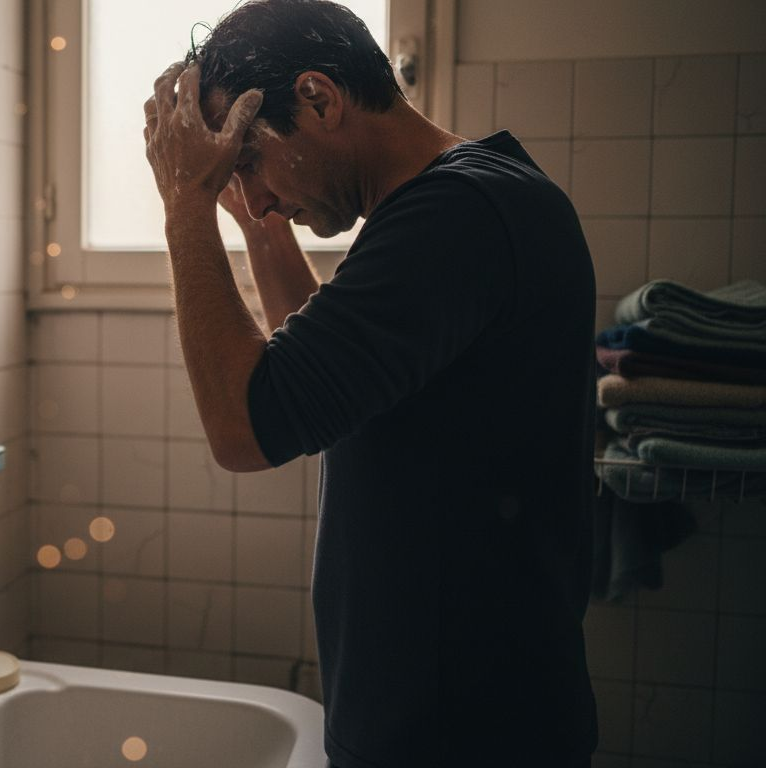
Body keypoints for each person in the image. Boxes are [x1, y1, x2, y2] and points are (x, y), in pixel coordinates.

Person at [141, 1, 599, 766]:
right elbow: (331, 380)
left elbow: (245, 430)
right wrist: (260, 224)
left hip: (462, 733)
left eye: (247, 161)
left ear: (320, 100)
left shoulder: (458, 215)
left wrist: (186, 205)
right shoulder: (458, 203)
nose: (249, 194)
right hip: (445, 717)